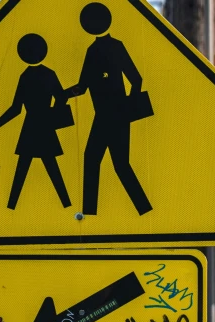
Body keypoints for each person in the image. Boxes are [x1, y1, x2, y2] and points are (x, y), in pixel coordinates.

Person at [65, 2, 153, 216]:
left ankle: (93, 214)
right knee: (113, 164)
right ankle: (141, 209)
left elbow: (83, 87)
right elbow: (135, 80)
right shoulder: (104, 48)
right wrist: (62, 94)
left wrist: (129, 109)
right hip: (110, 116)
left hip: (110, 116)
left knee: (102, 161)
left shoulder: (102, 49)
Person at [0, 33, 72, 211]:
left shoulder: (25, 76)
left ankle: (11, 206)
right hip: (45, 125)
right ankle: (67, 204)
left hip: (30, 127)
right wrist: (69, 96)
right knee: (51, 167)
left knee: (22, 169)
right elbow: (61, 98)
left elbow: (16, 108)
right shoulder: (49, 74)